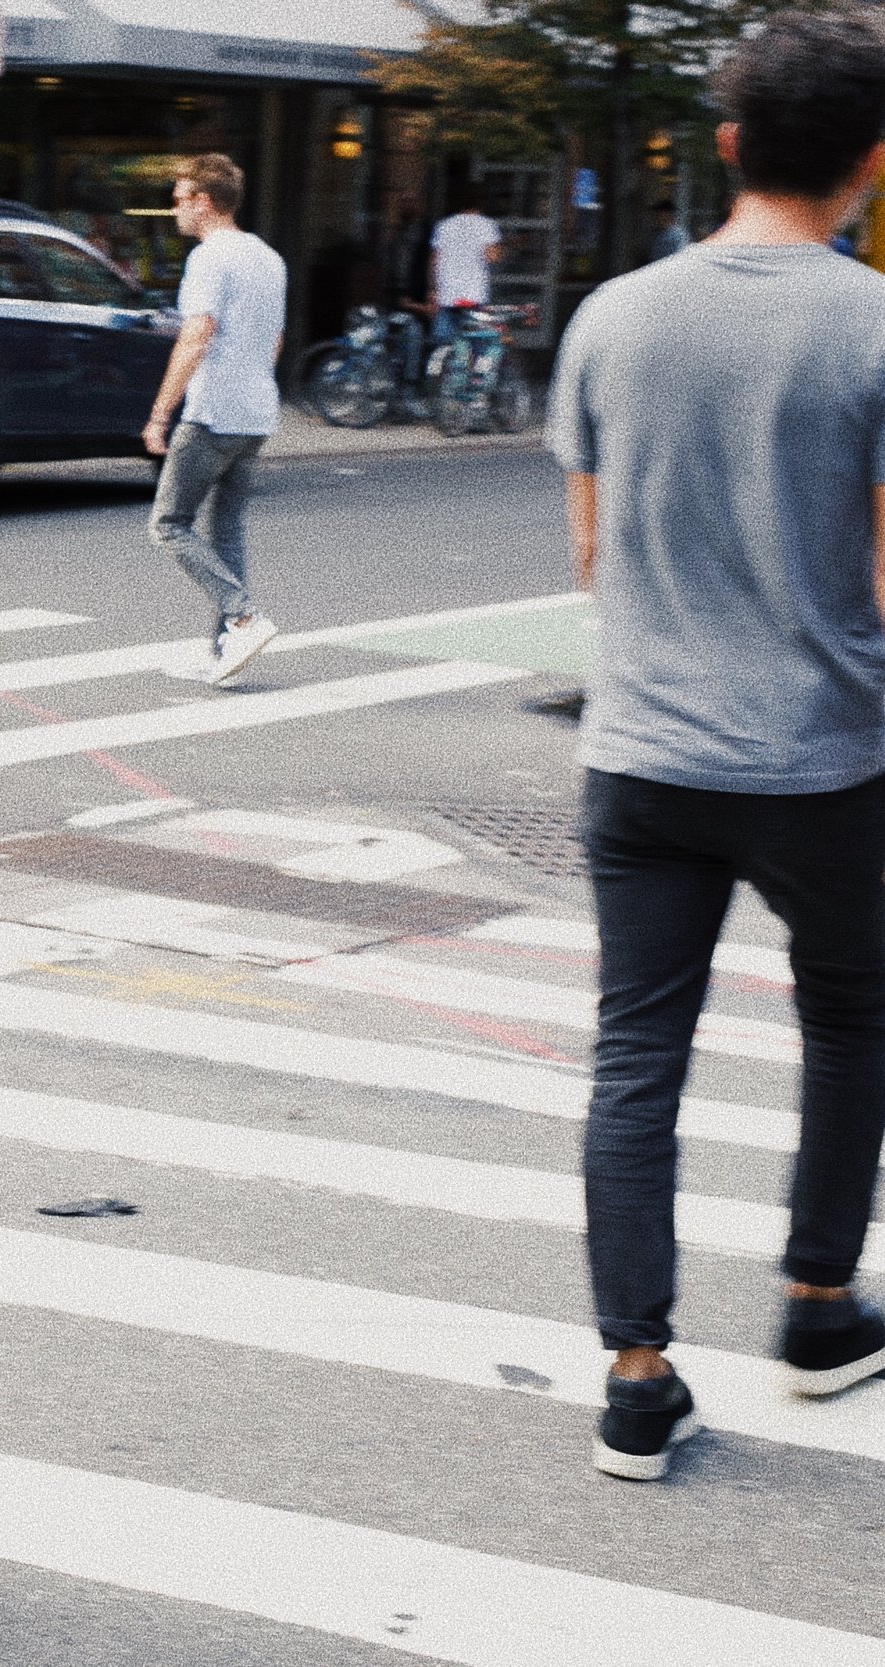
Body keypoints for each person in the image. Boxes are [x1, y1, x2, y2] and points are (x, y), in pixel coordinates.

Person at [546, 9, 885, 1484]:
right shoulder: (874, 326)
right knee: (855, 1022)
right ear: (871, 162)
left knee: (638, 1054)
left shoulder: (614, 315)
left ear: (730, 143)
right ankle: (817, 1306)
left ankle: (636, 1373)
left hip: (642, 758)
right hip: (829, 761)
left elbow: (592, 557)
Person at [143, 152, 287, 687]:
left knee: (169, 525)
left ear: (204, 202)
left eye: (179, 200)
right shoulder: (270, 258)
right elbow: (274, 339)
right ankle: (225, 650)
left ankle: (244, 617)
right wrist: (253, 388)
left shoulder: (208, 259)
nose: (174, 210)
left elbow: (195, 336)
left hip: (212, 413)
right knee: (225, 531)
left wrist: (160, 414)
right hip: (256, 411)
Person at [428, 186, 504, 343]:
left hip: (447, 295)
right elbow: (492, 257)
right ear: (482, 203)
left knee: (443, 344)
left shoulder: (444, 225)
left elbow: (434, 262)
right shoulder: (487, 226)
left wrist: (433, 290)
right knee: (475, 343)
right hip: (473, 295)